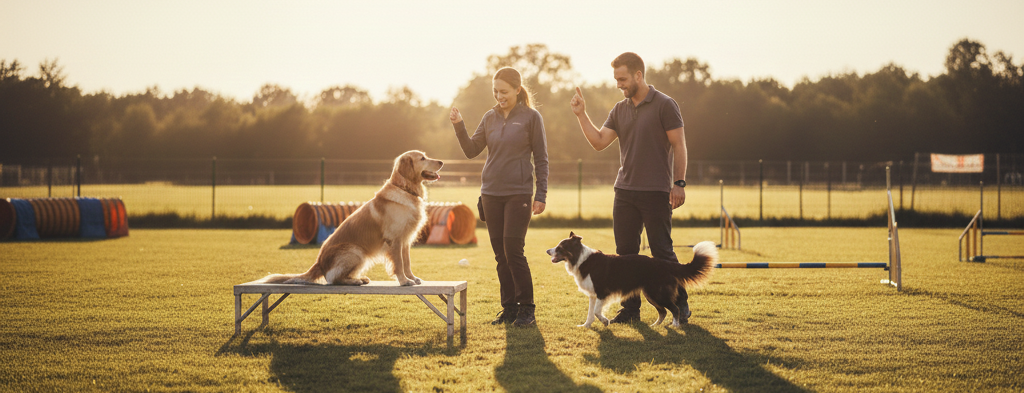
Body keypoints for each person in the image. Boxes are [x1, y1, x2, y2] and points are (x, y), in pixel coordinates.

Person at [569, 52, 691, 324]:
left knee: (662, 252)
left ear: (638, 75)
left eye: (622, 79)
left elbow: (679, 145)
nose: (618, 84)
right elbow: (599, 142)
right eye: (616, 79)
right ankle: (631, 311)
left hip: (657, 192)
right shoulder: (619, 109)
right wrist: (581, 115)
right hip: (624, 192)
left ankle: (680, 304)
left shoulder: (665, 104)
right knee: (625, 255)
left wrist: (679, 183)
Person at [449, 67, 548, 327]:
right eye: (495, 91)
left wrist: (541, 194)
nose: (499, 96)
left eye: (504, 91)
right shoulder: (489, 117)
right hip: (490, 194)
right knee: (500, 255)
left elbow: (541, 158)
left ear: (517, 89)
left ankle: (527, 310)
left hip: (519, 193)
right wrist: (459, 126)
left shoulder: (531, 117)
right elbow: (471, 150)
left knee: (513, 251)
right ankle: (509, 309)